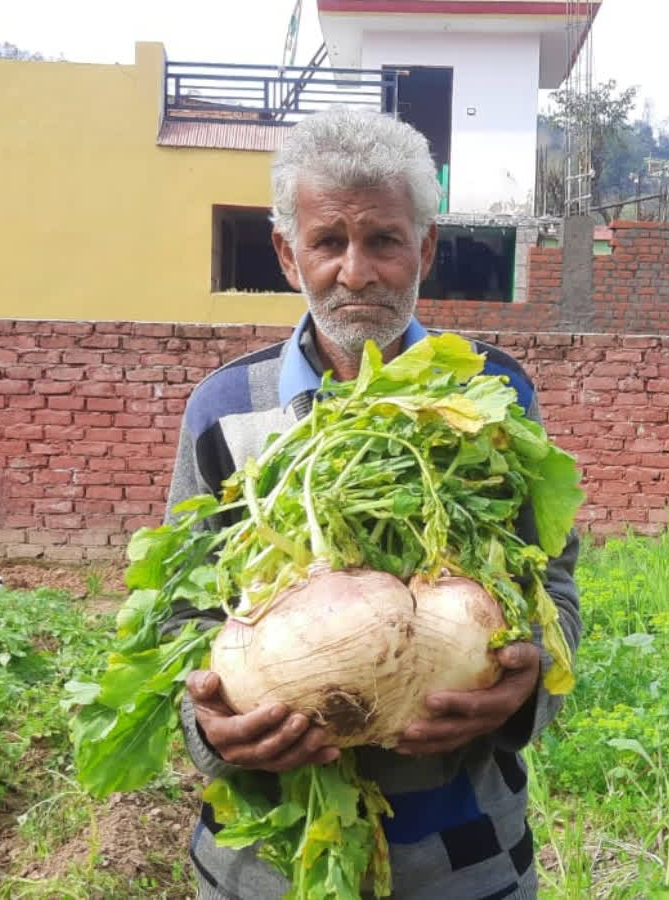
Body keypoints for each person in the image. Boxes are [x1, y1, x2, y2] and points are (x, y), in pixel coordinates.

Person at [165, 106, 580, 900]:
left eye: (384, 239)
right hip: (266, 861)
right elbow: (181, 617)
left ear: (424, 247)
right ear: (289, 254)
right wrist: (209, 725)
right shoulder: (223, 409)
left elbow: (552, 588)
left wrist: (526, 686)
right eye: (329, 242)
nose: (356, 271)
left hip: (463, 857)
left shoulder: (493, 396)